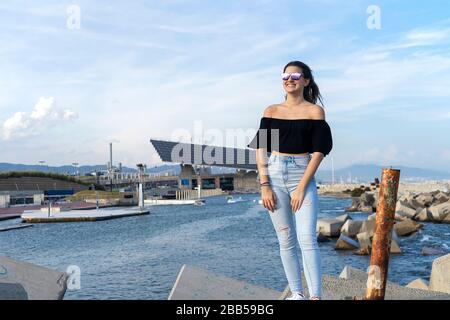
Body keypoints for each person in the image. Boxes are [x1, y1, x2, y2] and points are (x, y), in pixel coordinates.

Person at [247, 60, 333, 300]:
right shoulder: (271, 111)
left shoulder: (314, 111)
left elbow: (319, 152)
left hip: (302, 175)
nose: (289, 79)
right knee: (285, 240)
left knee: (307, 239)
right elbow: (261, 148)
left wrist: (301, 188)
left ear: (305, 81)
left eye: (295, 76)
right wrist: (264, 185)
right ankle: (297, 294)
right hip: (273, 174)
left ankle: (315, 296)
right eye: (285, 76)